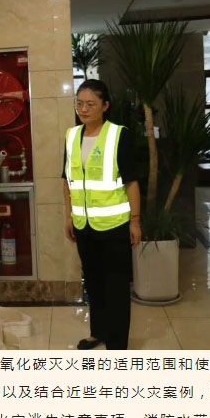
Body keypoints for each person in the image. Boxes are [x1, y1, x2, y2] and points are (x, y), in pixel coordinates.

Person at [61, 79, 141, 350]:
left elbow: (131, 182)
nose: (83, 109)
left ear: (105, 106)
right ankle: (99, 332)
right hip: (84, 226)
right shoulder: (72, 136)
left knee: (116, 286)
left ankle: (117, 345)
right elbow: (67, 180)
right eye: (79, 103)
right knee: (93, 282)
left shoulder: (119, 135)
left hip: (114, 225)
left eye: (90, 104)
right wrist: (69, 216)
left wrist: (135, 221)